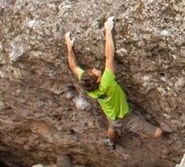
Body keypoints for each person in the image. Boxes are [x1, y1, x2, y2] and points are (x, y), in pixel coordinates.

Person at [63, 15, 164, 148]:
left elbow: (74, 66)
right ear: (99, 80)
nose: (94, 68)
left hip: (110, 114)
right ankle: (137, 132)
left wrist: (69, 47)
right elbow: (109, 56)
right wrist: (108, 30)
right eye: (94, 72)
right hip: (126, 118)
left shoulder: (90, 88)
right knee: (158, 133)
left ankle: (111, 141)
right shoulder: (107, 83)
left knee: (113, 125)